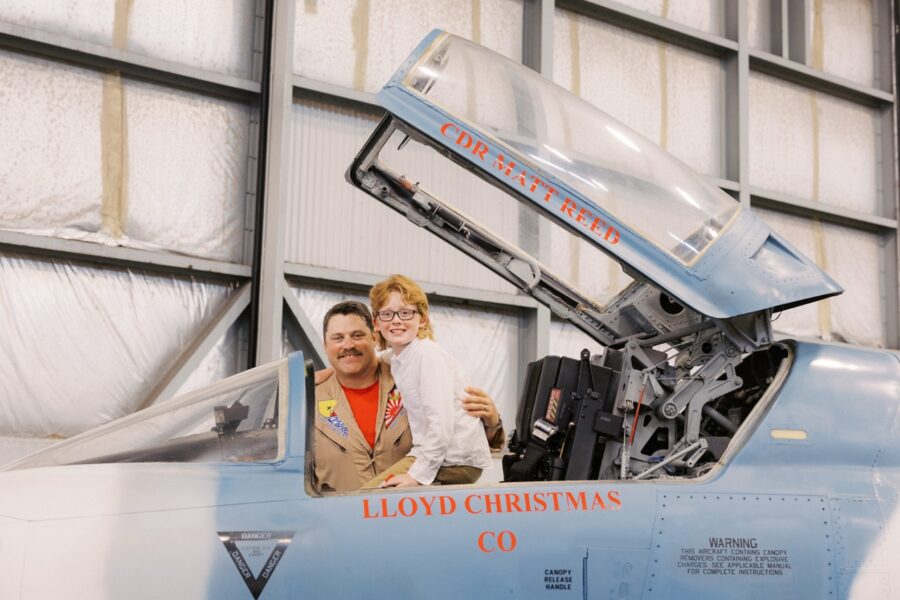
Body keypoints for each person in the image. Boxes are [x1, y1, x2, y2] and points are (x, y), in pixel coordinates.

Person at [312, 300, 504, 493]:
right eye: (337, 338)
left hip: (415, 515)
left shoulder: (412, 375)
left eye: (357, 335)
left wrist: (492, 424)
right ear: (325, 345)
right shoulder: (308, 399)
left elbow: (458, 446)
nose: (348, 345)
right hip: (340, 519)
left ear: (375, 337)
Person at [361, 275, 492, 489]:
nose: (396, 320)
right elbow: (377, 359)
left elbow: (441, 424)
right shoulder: (400, 356)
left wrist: (417, 476)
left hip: (454, 459)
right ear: (376, 322)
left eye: (405, 313)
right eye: (387, 314)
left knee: (365, 498)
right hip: (439, 455)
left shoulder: (426, 355)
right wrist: (329, 373)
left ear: (422, 319)